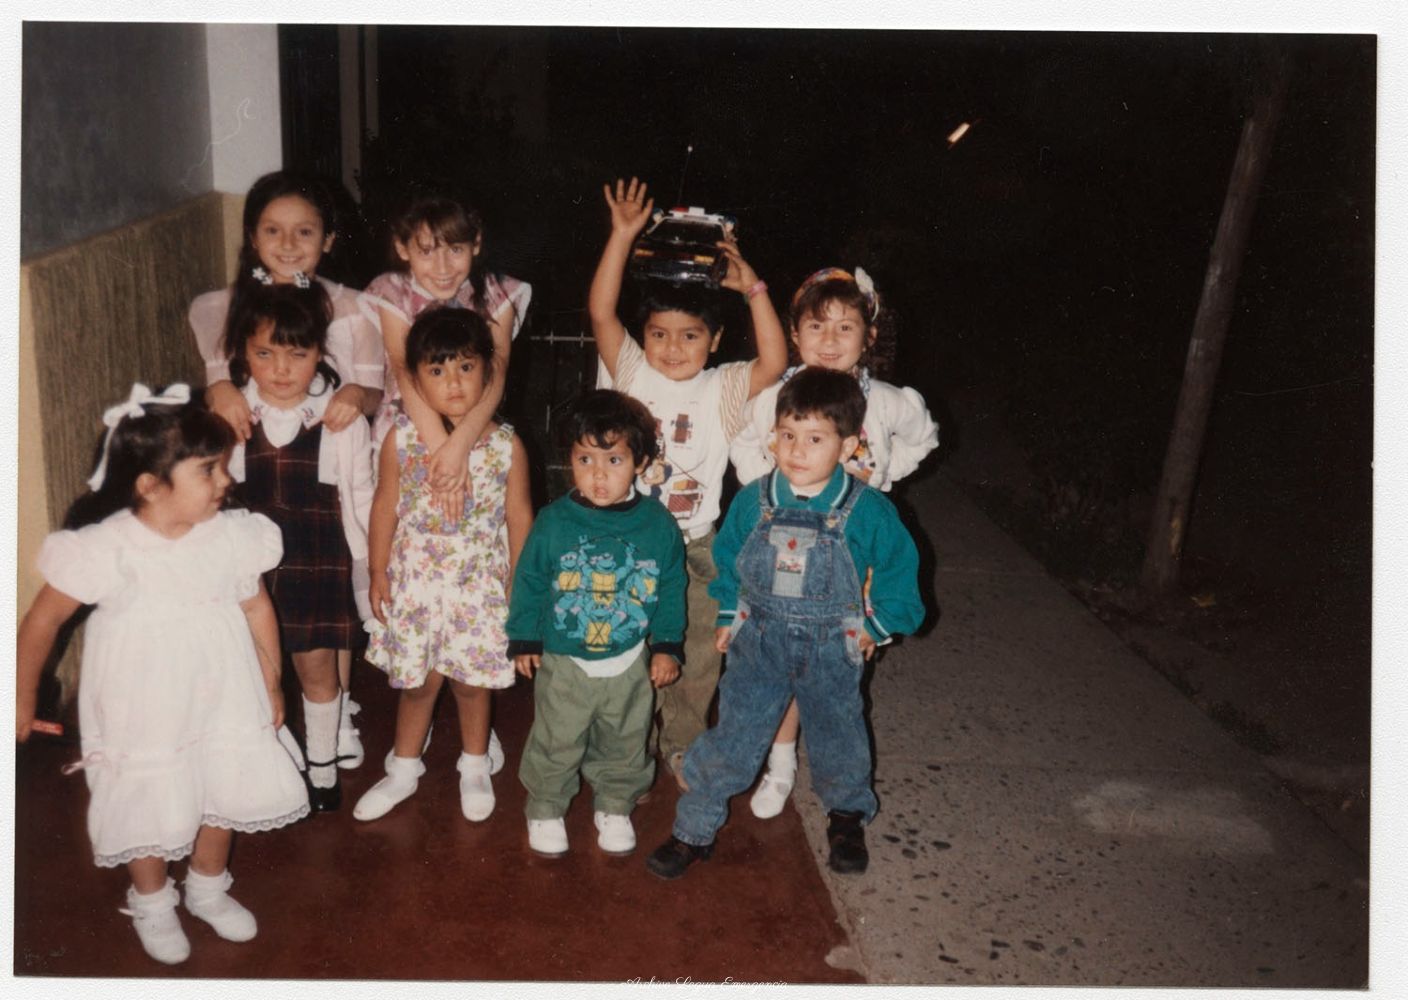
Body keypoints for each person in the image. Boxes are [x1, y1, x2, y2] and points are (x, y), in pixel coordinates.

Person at [16, 385, 309, 964]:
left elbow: (256, 608)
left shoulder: (231, 535)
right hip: (142, 700)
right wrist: (20, 697)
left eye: (222, 465)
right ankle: (151, 901)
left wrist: (271, 681)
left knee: (224, 782)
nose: (225, 480)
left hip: (224, 688)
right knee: (149, 795)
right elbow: (42, 621)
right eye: (208, 470)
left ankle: (207, 886)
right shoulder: (108, 548)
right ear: (151, 486)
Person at [646, 368, 924, 880]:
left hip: (832, 647)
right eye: (788, 435)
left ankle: (846, 819)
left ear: (847, 447)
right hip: (759, 643)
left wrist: (878, 622)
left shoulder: (867, 509)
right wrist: (729, 612)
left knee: (839, 735)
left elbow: (898, 569)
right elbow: (730, 560)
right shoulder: (754, 499)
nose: (797, 450)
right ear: (773, 436)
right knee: (734, 736)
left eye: (815, 439)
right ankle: (695, 826)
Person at [588, 177, 789, 787]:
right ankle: (629, 746)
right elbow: (601, 312)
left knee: (698, 655)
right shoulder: (629, 374)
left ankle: (682, 744)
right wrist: (622, 235)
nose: (672, 348)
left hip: (697, 545)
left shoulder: (723, 387)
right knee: (629, 649)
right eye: (659, 334)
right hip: (629, 540)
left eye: (690, 335)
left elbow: (775, 361)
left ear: (715, 340)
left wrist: (753, 288)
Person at [189, 169, 383, 769]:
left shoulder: (351, 307)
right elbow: (220, 384)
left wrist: (356, 395)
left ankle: (338, 711)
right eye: (273, 230)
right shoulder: (222, 308)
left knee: (328, 601)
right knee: (261, 599)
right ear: (252, 237)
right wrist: (218, 387)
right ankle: (271, 718)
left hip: (325, 456)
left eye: (305, 231)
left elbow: (374, 388)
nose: (289, 243)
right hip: (256, 468)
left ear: (328, 238)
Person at [730, 266, 939, 819]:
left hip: (851, 554)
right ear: (794, 333)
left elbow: (923, 438)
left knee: (835, 664)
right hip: (787, 548)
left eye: (845, 327)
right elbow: (746, 442)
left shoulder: (887, 402)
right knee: (784, 656)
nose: (829, 339)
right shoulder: (779, 397)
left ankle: (838, 781)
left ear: (869, 336)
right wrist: (769, 492)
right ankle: (780, 763)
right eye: (816, 326)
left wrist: (887, 474)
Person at [354, 309, 532, 823]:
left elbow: (520, 516)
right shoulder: (403, 439)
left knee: (472, 684)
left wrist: (521, 585)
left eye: (465, 368)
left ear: (487, 372)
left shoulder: (506, 445)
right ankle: (403, 769)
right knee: (418, 684)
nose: (453, 383)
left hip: (478, 586)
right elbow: (384, 505)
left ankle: (474, 764)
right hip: (416, 585)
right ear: (415, 379)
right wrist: (378, 570)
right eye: (437, 370)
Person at [507, 390, 686, 857]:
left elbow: (671, 585)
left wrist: (668, 644)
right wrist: (524, 636)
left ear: (641, 462)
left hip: (629, 659)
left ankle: (615, 803)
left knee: (625, 738)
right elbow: (529, 579)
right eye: (585, 459)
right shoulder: (553, 522)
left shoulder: (658, 525)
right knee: (556, 737)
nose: (598, 474)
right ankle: (546, 805)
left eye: (614, 460)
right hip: (565, 659)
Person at [223, 282, 374, 812]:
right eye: (265, 354)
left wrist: (372, 568)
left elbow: (361, 495)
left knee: (317, 669)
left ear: (319, 354)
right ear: (244, 354)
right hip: (251, 568)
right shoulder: (234, 415)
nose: (281, 369)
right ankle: (261, 762)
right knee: (250, 666)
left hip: (317, 557)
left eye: (297, 354)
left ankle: (323, 768)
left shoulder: (338, 417)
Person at [360, 194, 531, 513]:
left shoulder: (498, 293)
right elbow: (404, 371)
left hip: (474, 432)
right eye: (426, 251)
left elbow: (497, 370)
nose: (443, 268)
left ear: (475, 243)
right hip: (404, 435)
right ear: (402, 248)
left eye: (455, 249)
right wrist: (443, 450)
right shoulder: (393, 290)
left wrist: (459, 446)